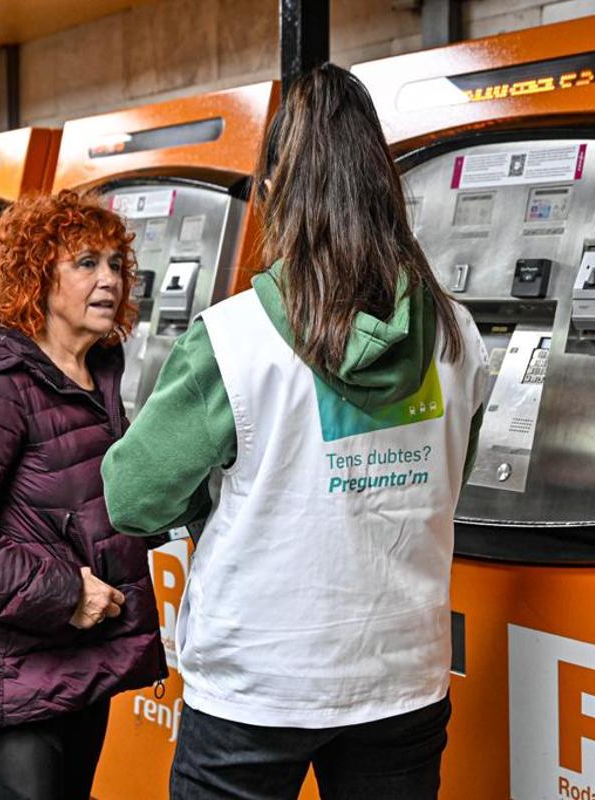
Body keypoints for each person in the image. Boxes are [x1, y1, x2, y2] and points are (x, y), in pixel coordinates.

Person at [102, 63, 489, 800]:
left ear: (277, 195)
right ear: (386, 193)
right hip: (401, 673)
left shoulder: (232, 338)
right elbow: (450, 479)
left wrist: (212, 498)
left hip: (257, 679)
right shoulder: (457, 335)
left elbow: (132, 495)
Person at [0, 190, 167, 800]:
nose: (109, 280)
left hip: (80, 651)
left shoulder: (93, 371)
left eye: (116, 264)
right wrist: (65, 593)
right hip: (12, 660)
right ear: (36, 275)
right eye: (85, 263)